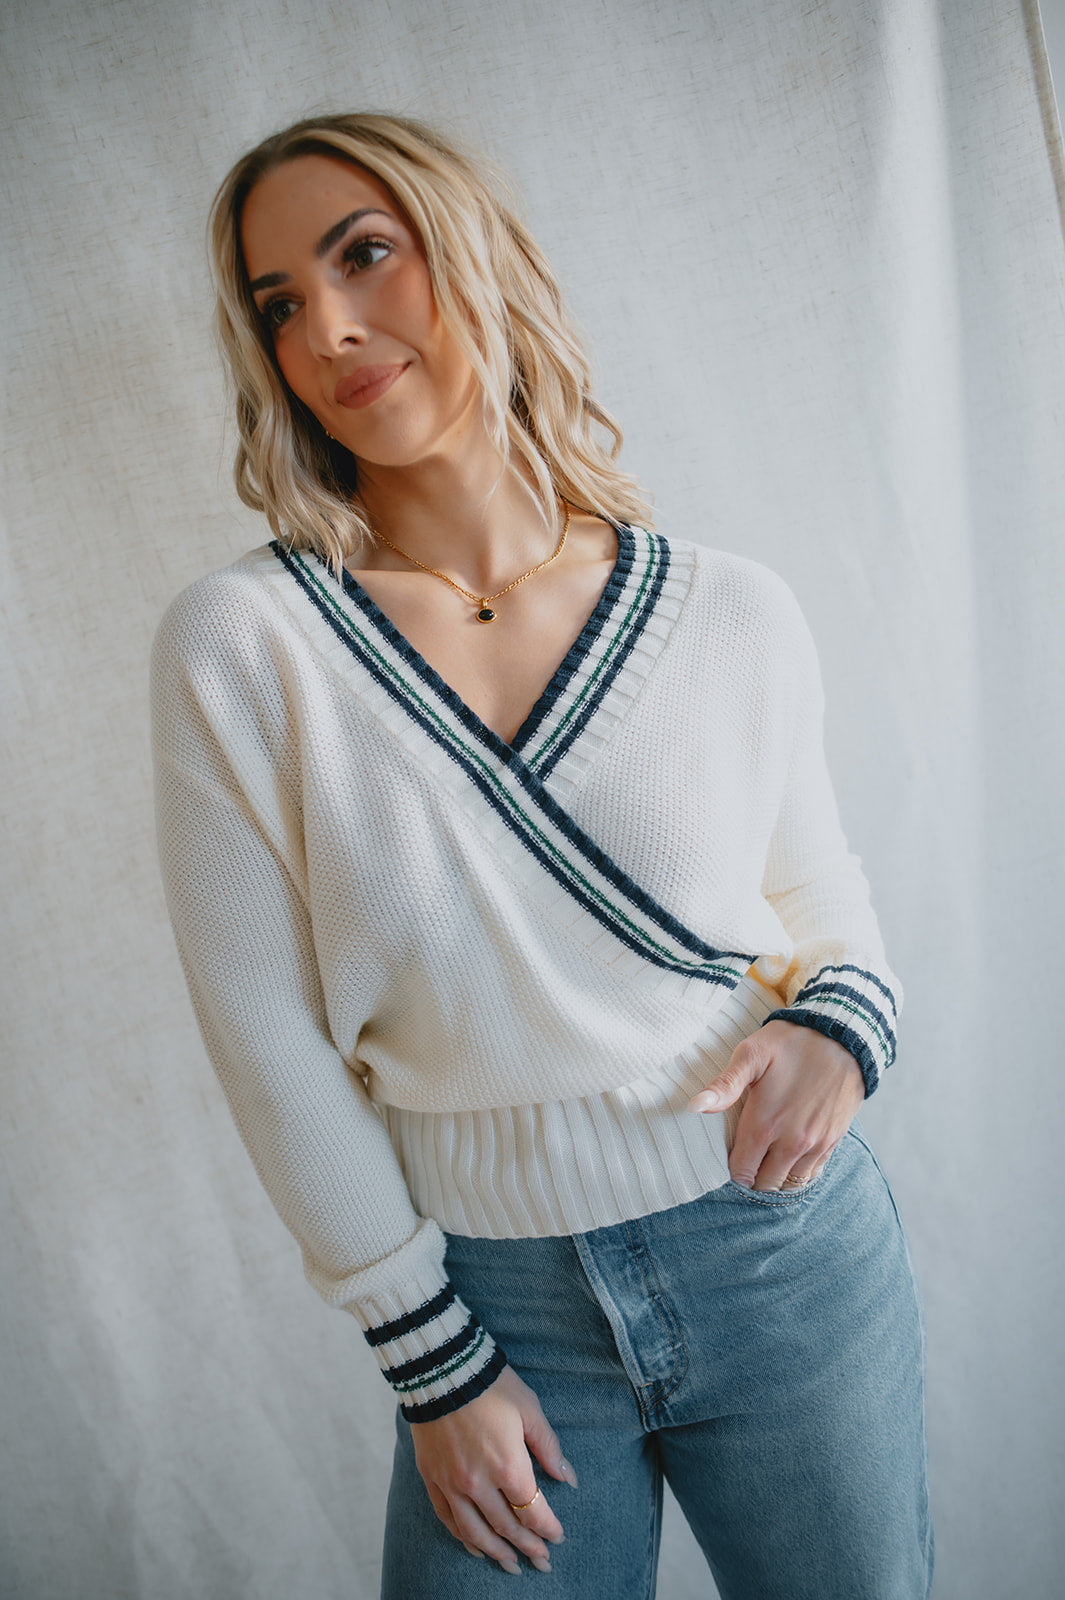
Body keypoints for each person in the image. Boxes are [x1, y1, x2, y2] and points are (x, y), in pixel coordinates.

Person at [151, 113, 933, 1599]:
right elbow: (263, 1030)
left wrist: (843, 1029)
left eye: (364, 254)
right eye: (279, 303)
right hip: (492, 1307)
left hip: (782, 1252)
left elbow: (816, 895)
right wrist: (429, 1358)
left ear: (479, 258)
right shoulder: (245, 645)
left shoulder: (729, 607)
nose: (327, 328)